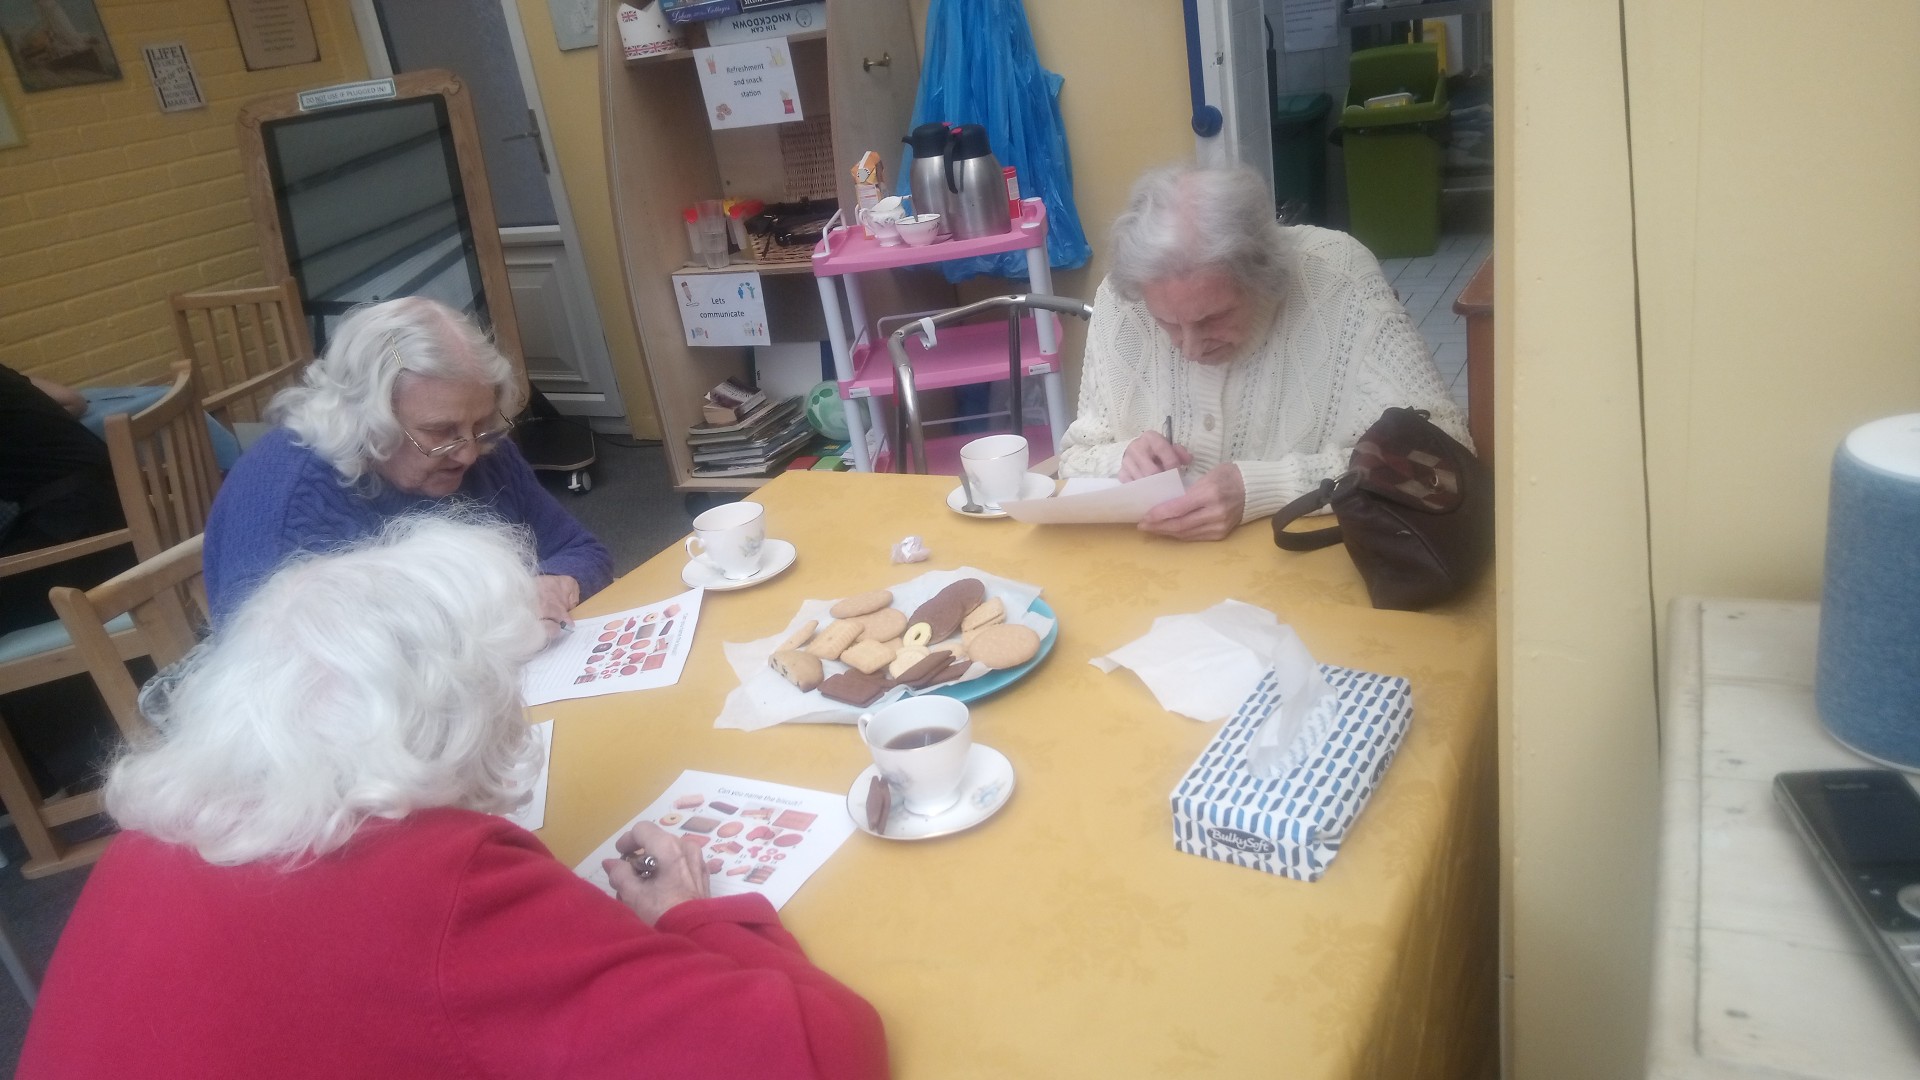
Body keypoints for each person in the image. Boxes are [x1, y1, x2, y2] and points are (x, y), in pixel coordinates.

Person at [18, 515, 890, 1080]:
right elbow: (823, 1049)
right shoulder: (438, 877)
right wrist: (692, 917)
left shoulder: (147, 840)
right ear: (465, 715)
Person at [1056, 163, 1470, 542]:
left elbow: (1443, 453)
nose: (1191, 349)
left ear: (1264, 276)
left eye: (1213, 318)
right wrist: (1123, 458)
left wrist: (1266, 487)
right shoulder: (1124, 297)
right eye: (1167, 323)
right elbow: (1075, 456)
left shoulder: (1338, 276)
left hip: (1301, 563)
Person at [202, 296, 611, 630]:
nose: (469, 453)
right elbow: (277, 681)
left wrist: (556, 582)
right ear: (366, 421)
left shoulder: (482, 445)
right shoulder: (288, 509)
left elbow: (580, 550)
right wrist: (503, 607)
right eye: (440, 432)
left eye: (482, 424)